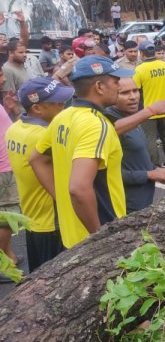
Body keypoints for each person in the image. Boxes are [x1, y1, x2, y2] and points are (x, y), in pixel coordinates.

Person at [29, 56, 133, 249]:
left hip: (72, 234)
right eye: (116, 82)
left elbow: (36, 159)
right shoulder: (95, 124)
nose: (120, 86)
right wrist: (100, 238)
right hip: (100, 234)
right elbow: (78, 187)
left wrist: (60, 198)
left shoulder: (64, 116)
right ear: (100, 86)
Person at [6, 78, 74, 272]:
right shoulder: (44, 136)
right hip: (53, 222)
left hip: (33, 218)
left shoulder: (15, 128)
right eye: (58, 103)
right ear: (36, 109)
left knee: (38, 276)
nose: (64, 107)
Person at [105, 78, 165, 213]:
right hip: (125, 204)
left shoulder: (133, 117)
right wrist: (149, 174)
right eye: (124, 93)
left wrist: (156, 169)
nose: (133, 97)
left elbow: (136, 156)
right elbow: (106, 174)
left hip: (143, 200)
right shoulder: (109, 123)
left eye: (136, 91)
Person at [134, 41, 165, 169]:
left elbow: (136, 89)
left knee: (150, 139)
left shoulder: (139, 69)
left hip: (148, 109)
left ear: (141, 54)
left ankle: (156, 165)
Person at [0, 67, 21, 282]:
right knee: (6, 219)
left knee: (9, 217)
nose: (4, 78)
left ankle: (9, 255)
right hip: (3, 170)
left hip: (7, 167)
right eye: (0, 75)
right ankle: (4, 265)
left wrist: (10, 110)